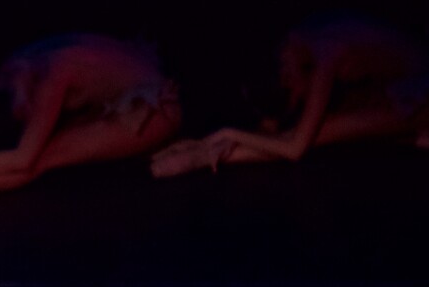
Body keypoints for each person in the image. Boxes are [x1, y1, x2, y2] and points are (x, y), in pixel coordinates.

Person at [0, 32, 183, 211]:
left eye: (23, 110)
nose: (27, 114)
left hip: (152, 109)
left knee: (43, 159)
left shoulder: (54, 75)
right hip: (119, 96)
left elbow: (24, 160)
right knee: (12, 156)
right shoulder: (14, 72)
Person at [149, 10, 429, 178]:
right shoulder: (304, 41)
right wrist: (207, 140)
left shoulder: (325, 52)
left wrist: (227, 135)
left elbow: (296, 149)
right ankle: (204, 151)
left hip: (419, 95)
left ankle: (204, 157)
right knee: (304, 129)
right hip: (396, 90)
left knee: (322, 132)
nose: (296, 91)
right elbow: (276, 130)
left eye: (289, 84)